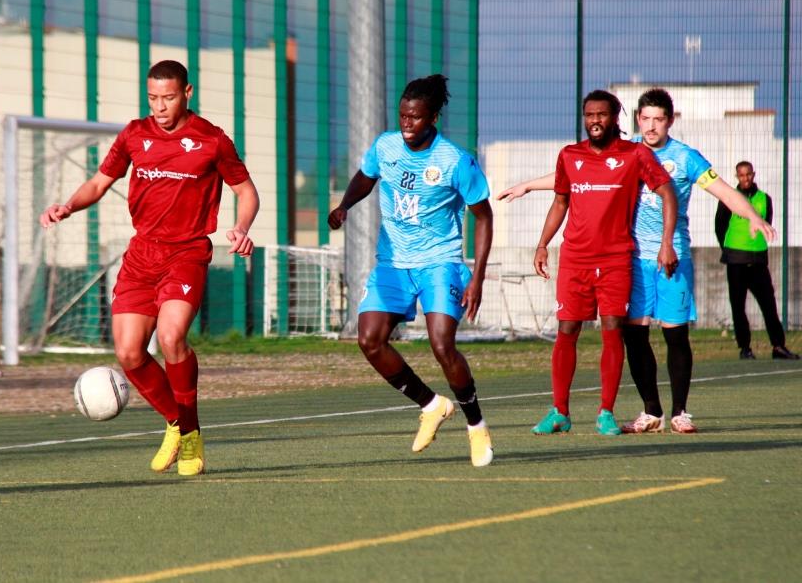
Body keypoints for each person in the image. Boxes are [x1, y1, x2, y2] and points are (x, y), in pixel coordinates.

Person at [499, 88, 776, 434]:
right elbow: (578, 177)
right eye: (645, 118)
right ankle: (651, 411)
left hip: (671, 255)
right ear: (636, 120)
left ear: (669, 121)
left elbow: (722, 190)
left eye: (658, 119)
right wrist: (527, 186)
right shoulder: (628, 150)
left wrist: (752, 215)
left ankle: (680, 412)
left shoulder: (684, 157)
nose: (651, 126)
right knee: (635, 335)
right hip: (632, 258)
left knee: (675, 334)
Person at [40, 60, 259, 476]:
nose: (159, 107)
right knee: (128, 352)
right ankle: (175, 422)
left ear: (187, 93)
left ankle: (191, 434)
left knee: (172, 337)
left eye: (169, 98)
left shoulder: (211, 140)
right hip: (142, 254)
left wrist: (242, 228)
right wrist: (68, 206)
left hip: (187, 252)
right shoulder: (134, 134)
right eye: (153, 98)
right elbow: (99, 183)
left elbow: (246, 192)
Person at [327, 74, 495, 467]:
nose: (406, 123)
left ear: (433, 118)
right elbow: (365, 177)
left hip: (440, 262)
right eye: (403, 115)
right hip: (393, 263)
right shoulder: (385, 146)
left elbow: (484, 217)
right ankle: (432, 405)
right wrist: (345, 206)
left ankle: (476, 426)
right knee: (369, 339)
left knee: (442, 345)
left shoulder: (454, 161)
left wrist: (478, 276)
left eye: (415, 117)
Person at [523, 90, 678, 436]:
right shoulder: (569, 155)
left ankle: (605, 412)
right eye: (590, 114)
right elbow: (560, 203)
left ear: (615, 118)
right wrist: (542, 244)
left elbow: (667, 192)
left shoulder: (634, 154)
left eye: (602, 114)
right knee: (566, 330)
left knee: (612, 329)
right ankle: (559, 412)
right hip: (575, 259)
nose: (595, 120)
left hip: (615, 259)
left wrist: (666, 243)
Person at [715, 161, 799, 361]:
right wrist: (729, 250)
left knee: (769, 304)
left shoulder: (764, 199)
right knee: (738, 306)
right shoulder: (728, 199)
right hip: (736, 261)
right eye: (741, 175)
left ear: (753, 174)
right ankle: (745, 348)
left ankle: (778, 346)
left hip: (758, 261)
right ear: (737, 176)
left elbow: (766, 223)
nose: (745, 178)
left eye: (748, 174)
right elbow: (720, 226)